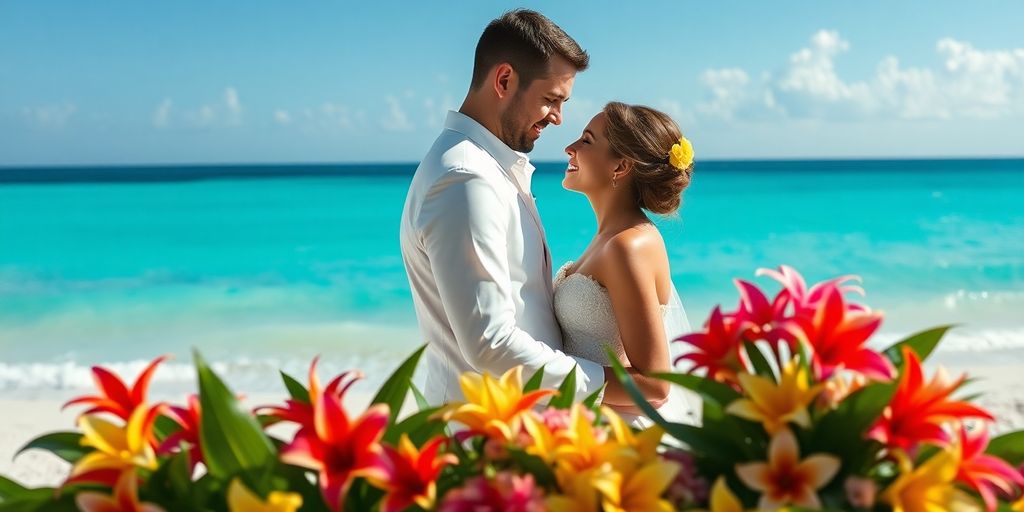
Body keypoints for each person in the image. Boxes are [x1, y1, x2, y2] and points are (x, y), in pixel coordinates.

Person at [399, 9, 611, 404]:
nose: (559, 118)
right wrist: (614, 385)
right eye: (551, 100)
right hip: (481, 441)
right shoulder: (465, 177)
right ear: (504, 80)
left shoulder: (483, 168)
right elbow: (490, 342)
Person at [556, 102, 701, 427]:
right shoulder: (612, 238)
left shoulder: (627, 246)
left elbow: (655, 384)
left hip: (616, 435)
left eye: (587, 140)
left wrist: (553, 379)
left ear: (620, 167)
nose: (570, 148)